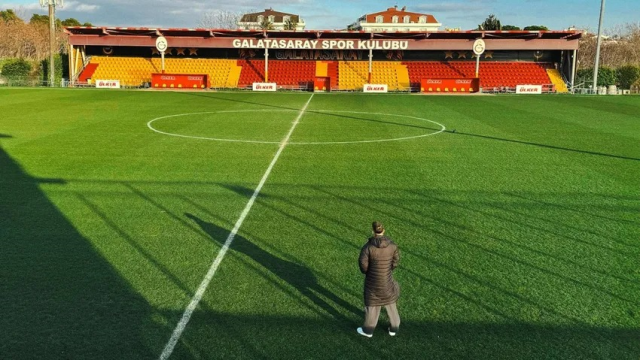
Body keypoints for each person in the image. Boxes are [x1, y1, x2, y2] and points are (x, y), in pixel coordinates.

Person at [357, 221, 400, 337]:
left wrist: (367, 272)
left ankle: (368, 331)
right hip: (387, 279)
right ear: (383, 231)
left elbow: (363, 264)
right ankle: (394, 328)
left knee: (372, 304)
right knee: (390, 301)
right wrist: (388, 269)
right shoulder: (392, 246)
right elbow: (395, 261)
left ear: (373, 231)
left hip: (372, 281)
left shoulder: (368, 247)